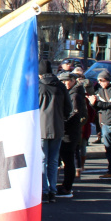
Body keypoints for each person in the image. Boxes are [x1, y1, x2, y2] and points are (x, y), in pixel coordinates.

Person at [39, 60, 71, 203]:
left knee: (42, 160)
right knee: (53, 161)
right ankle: (52, 190)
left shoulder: (38, 87)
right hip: (58, 127)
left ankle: (44, 191)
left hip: (41, 128)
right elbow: (68, 108)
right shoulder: (60, 86)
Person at [57, 71, 86, 198]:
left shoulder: (74, 95)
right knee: (67, 160)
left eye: (66, 81)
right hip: (69, 131)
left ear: (73, 80)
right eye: (62, 81)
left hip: (69, 132)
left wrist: (61, 122)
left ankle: (67, 187)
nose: (64, 83)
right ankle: (66, 185)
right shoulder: (72, 93)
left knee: (68, 160)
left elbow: (73, 114)